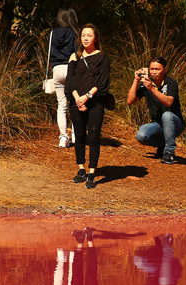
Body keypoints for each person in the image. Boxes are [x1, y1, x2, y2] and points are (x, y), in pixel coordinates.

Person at [65, 23, 110, 189]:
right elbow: (70, 82)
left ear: (95, 38)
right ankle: (81, 168)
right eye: (83, 35)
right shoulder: (74, 57)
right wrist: (77, 98)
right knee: (79, 135)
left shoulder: (102, 57)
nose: (85, 38)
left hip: (95, 102)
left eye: (89, 35)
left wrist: (87, 97)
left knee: (93, 135)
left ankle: (92, 172)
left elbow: (102, 82)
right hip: (76, 101)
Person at [127, 57, 184, 164]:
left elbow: (169, 102)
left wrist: (152, 89)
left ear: (164, 69)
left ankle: (169, 153)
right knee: (142, 135)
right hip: (158, 124)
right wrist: (136, 80)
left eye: (157, 69)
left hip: (175, 123)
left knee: (167, 115)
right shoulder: (146, 83)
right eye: (152, 69)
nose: (154, 72)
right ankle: (162, 145)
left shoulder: (170, 82)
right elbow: (130, 101)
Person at [50, 8, 78, 148]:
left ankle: (63, 138)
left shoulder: (52, 33)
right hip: (70, 68)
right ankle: (74, 135)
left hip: (57, 69)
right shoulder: (74, 33)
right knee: (74, 102)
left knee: (62, 105)